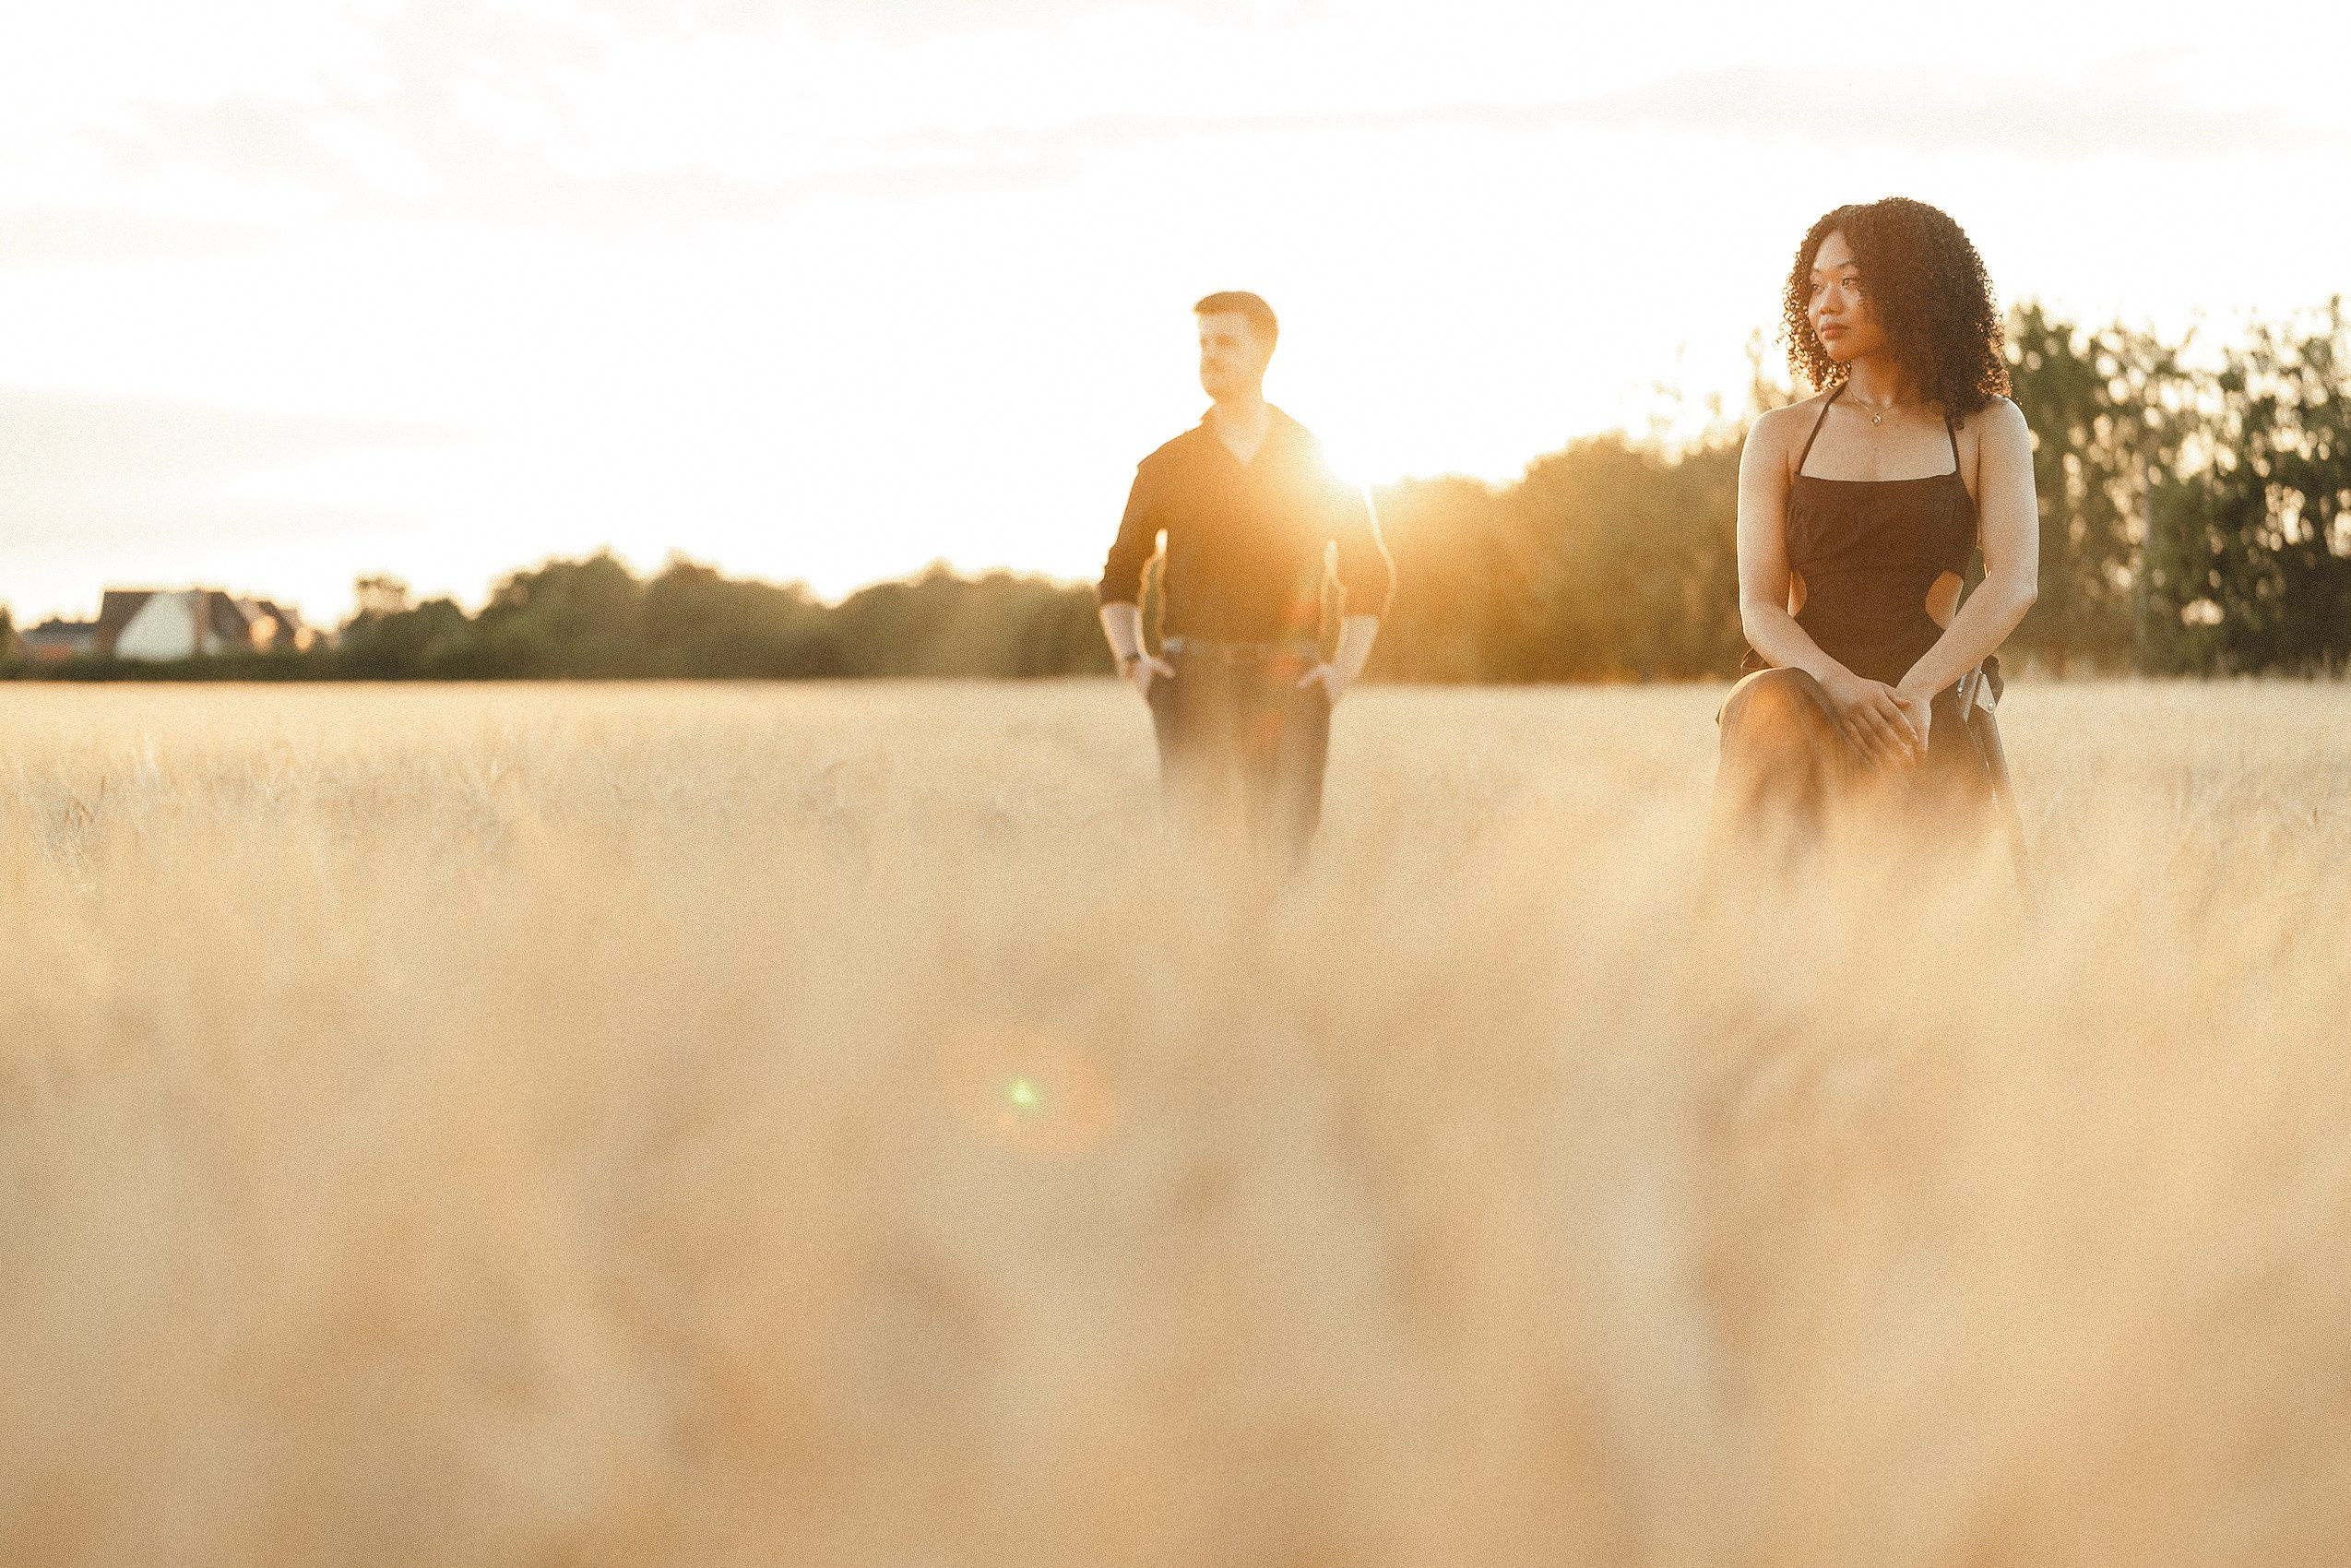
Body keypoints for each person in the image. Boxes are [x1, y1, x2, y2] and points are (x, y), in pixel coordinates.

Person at [1712, 198, 2039, 867]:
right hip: (1802, 692)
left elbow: (2012, 583)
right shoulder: (1778, 436)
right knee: (1764, 702)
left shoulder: (1985, 425)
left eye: (1851, 282)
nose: (1823, 304)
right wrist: (1837, 687)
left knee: (1926, 936)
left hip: (1920, 702)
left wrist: (1916, 695)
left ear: (1912, 286)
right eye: (1813, 286)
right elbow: (1759, 607)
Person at [1098, 291, 1395, 867]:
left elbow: (1369, 571)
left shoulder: (1314, 458)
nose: (1210, 355)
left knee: (1284, 859)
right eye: (1203, 344)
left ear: (1265, 352)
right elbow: (1118, 576)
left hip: (1292, 682)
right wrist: (1134, 663)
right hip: (1190, 681)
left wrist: (1341, 673)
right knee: (1200, 862)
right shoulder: (1168, 464)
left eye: (1226, 342)